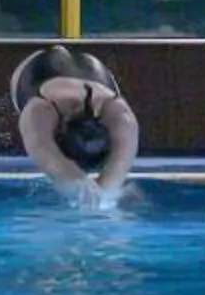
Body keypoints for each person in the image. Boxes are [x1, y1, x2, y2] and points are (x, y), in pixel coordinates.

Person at [12, 43, 139, 205]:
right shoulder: (38, 110)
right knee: (61, 169)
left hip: (92, 72)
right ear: (58, 132)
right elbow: (49, 158)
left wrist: (104, 192)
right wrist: (82, 187)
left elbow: (117, 170)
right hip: (35, 66)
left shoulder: (120, 115)